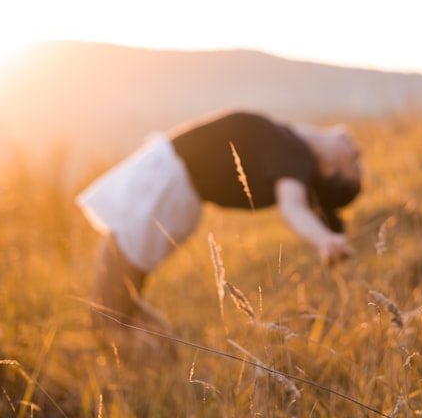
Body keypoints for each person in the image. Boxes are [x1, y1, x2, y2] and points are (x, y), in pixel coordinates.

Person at [77, 109, 362, 360]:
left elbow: (293, 208)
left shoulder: (295, 155)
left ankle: (149, 369)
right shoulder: (291, 146)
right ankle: (158, 360)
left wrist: (323, 239)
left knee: (108, 310)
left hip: (163, 188)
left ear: (328, 168)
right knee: (115, 303)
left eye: (354, 164)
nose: (357, 151)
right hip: (167, 184)